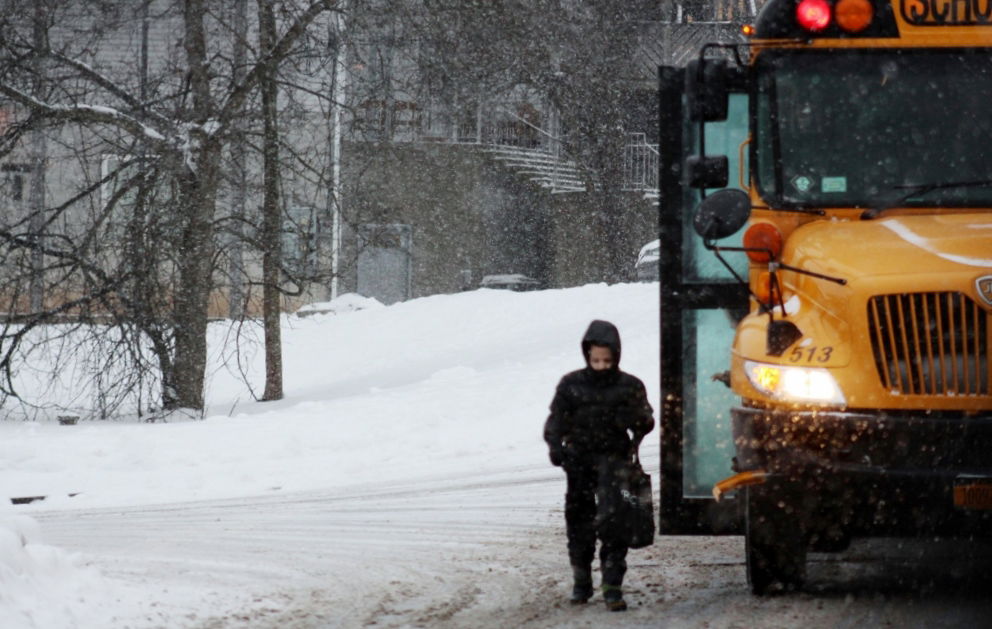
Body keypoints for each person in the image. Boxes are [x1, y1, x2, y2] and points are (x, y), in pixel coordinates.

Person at [543, 319, 655, 612]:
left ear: (616, 356)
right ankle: (581, 580)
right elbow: (556, 418)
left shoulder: (629, 385)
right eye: (596, 360)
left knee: (614, 521)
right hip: (578, 460)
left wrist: (635, 420)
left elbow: (646, 421)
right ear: (587, 355)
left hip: (615, 460)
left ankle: (612, 583)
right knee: (578, 521)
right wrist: (555, 446)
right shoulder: (571, 384)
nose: (602, 366)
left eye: (607, 360)